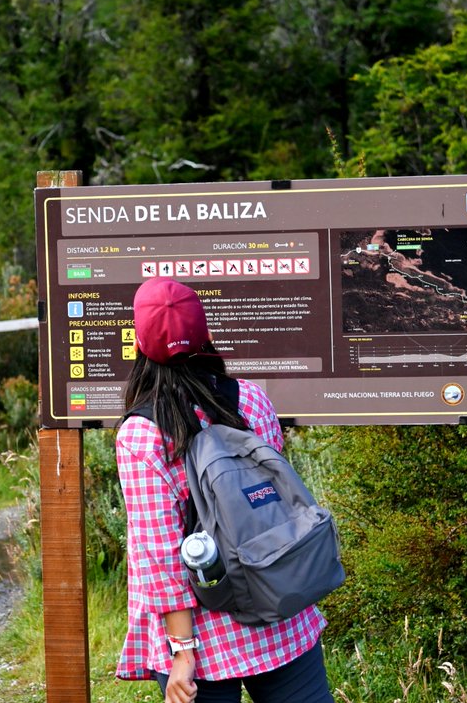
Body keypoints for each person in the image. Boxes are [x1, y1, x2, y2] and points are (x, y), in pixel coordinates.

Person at [115, 277, 335, 703]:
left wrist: (182, 653)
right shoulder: (250, 400)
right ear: (205, 334)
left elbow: (160, 558)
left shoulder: (141, 435)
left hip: (206, 634)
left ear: (140, 344)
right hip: (279, 605)